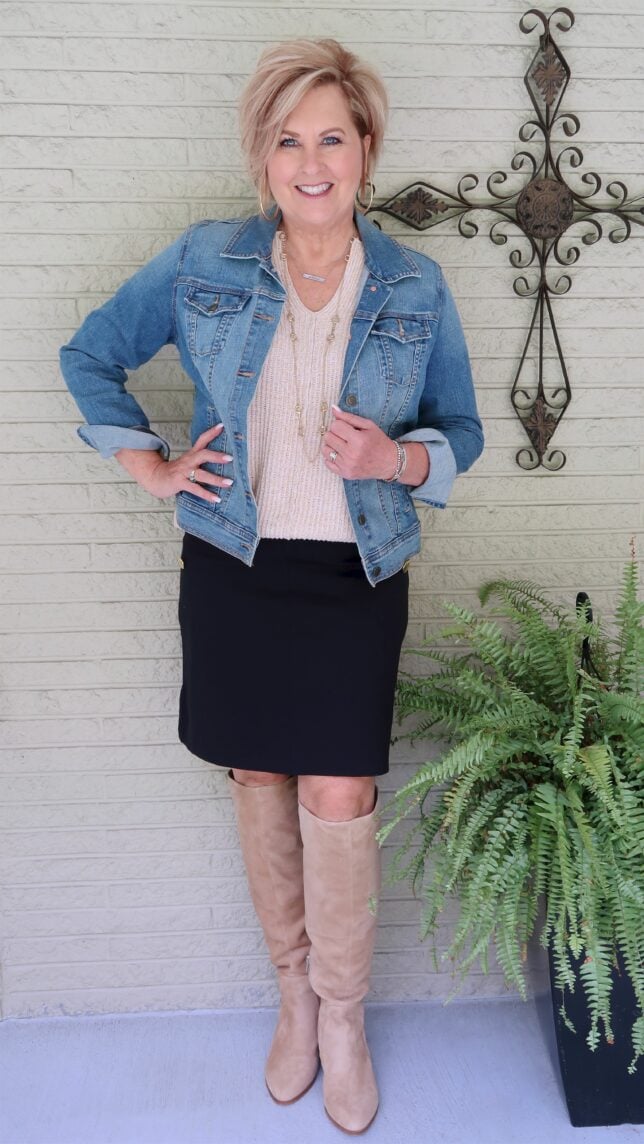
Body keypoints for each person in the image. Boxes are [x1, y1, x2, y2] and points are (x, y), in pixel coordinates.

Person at [59, 37, 484, 1135]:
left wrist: (393, 460)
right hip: (236, 565)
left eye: (330, 136)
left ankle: (342, 1018)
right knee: (259, 776)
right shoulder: (206, 260)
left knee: (336, 791)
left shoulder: (411, 284)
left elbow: (461, 431)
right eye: (288, 139)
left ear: (363, 150)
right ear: (262, 156)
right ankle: (291, 998)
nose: (310, 161)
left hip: (353, 570)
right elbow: (91, 353)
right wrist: (149, 465)